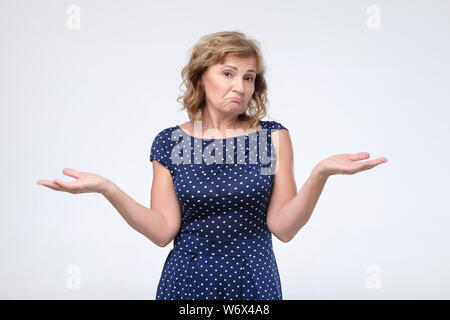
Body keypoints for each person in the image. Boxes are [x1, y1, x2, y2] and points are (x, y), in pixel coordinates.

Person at [36, 31, 388, 300]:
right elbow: (162, 231)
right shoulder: (169, 142)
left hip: (254, 280)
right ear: (201, 76)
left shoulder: (273, 137)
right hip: (186, 282)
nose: (240, 86)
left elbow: (283, 227)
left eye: (249, 77)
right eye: (228, 73)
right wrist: (106, 188)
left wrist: (320, 175)